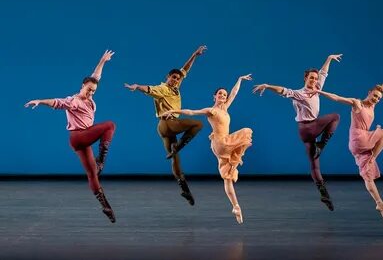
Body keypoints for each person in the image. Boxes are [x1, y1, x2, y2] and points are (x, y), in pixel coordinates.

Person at [24, 50, 117, 223]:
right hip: (79, 136)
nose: (91, 93)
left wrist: (103, 61)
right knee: (110, 125)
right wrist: (40, 101)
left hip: (82, 140)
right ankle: (101, 160)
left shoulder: (90, 95)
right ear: (82, 86)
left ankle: (105, 206)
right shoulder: (74, 100)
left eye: (94, 91)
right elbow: (57, 102)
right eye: (88, 90)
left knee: (92, 174)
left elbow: (95, 77)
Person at [314, 69, 383, 222]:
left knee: (367, 176)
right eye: (375, 95)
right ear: (369, 92)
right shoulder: (357, 103)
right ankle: (373, 157)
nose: (376, 99)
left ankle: (379, 203)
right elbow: (337, 98)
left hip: (357, 144)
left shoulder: (372, 106)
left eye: (379, 98)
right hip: (360, 138)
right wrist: (319, 91)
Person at [252, 54, 342, 211]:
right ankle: (321, 144)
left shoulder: (318, 87)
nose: (314, 81)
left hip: (306, 132)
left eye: (315, 79)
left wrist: (329, 58)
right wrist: (267, 85)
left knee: (315, 165)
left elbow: (323, 73)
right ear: (305, 79)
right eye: (311, 79)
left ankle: (324, 194)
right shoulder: (300, 93)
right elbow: (284, 91)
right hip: (308, 127)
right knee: (335, 116)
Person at [162, 74, 253, 224]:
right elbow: (193, 112)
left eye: (224, 94)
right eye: (220, 94)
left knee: (227, 178)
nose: (223, 95)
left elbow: (234, 93)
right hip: (221, 142)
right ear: (215, 97)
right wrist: (174, 112)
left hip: (222, 145)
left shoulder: (225, 109)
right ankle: (234, 162)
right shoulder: (212, 110)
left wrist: (240, 79)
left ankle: (236, 206)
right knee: (246, 132)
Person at [124, 45, 207, 206]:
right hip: (168, 123)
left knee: (175, 160)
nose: (176, 80)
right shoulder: (163, 88)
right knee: (197, 123)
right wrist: (137, 87)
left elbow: (185, 69)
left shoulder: (176, 87)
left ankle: (184, 189)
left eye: (177, 78)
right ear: (167, 77)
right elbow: (150, 89)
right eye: (173, 78)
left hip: (164, 130)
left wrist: (195, 54)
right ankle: (179, 146)